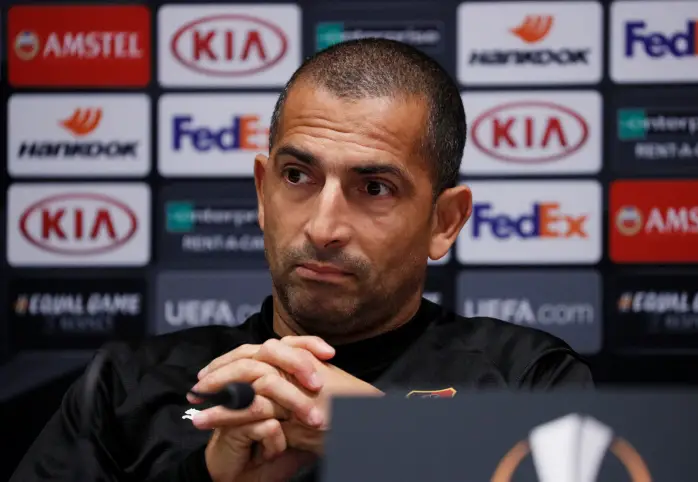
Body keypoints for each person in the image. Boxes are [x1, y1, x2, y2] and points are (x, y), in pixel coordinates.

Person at [10, 38, 593, 482]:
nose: (322, 226)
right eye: (297, 176)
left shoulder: (529, 380)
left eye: (374, 188)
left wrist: (388, 438)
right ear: (263, 192)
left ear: (445, 221)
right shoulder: (125, 388)